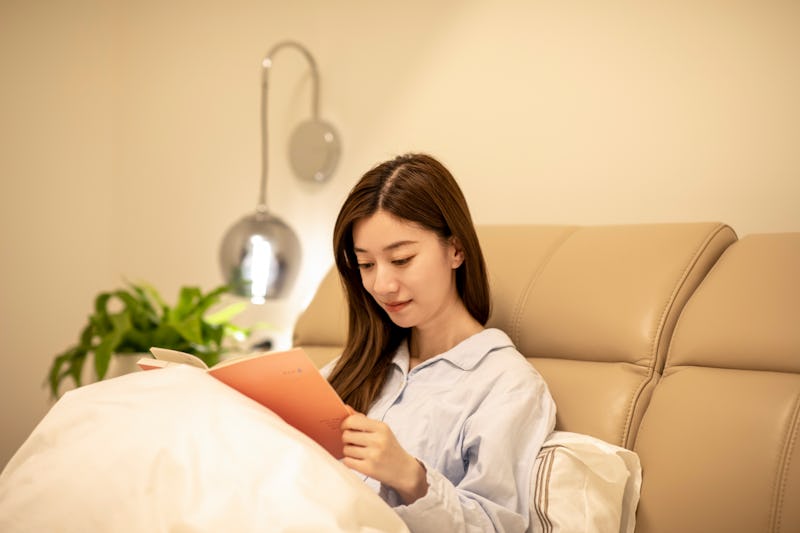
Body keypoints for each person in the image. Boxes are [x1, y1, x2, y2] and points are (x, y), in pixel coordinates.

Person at [324, 153, 557, 532]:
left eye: (401, 259)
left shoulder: (506, 385)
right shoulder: (352, 368)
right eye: (366, 265)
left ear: (456, 249)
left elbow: (495, 526)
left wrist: (412, 478)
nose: (381, 285)